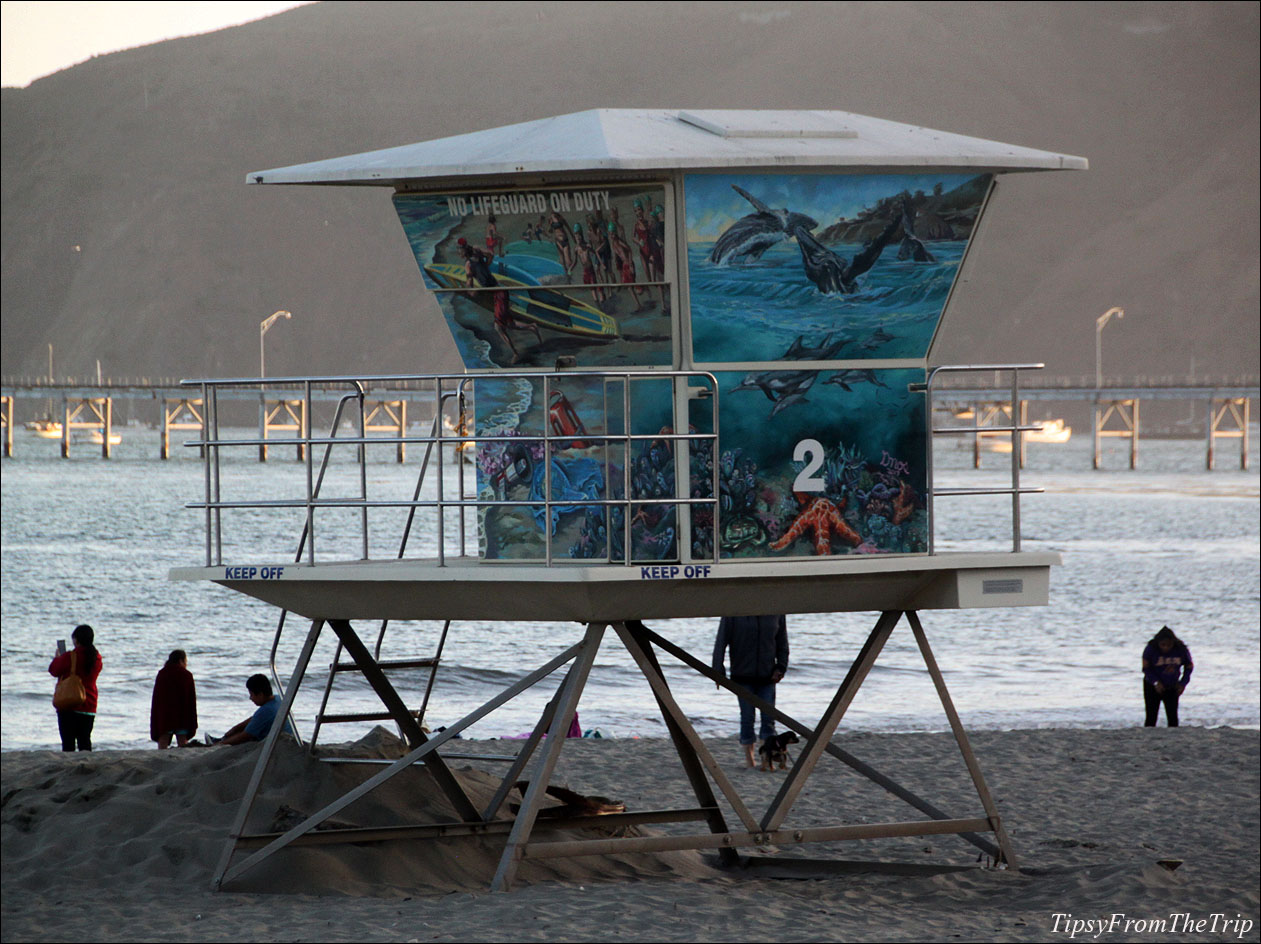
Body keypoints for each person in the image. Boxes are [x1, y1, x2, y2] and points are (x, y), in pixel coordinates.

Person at [712, 615, 789, 767]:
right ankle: (750, 760)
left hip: (768, 676)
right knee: (747, 718)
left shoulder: (776, 611)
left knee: (768, 719)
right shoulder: (734, 612)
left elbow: (782, 643)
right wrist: (717, 672)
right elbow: (721, 642)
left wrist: (781, 667)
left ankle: (766, 758)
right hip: (742, 676)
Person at [49, 623, 102, 752]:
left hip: (69, 704)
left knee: (68, 744)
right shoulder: (97, 657)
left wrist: (58, 658)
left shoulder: (70, 656)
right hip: (89, 704)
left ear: (76, 640)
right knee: (85, 741)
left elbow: (53, 670)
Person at [215, 674, 294, 745]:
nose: (250, 698)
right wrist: (234, 729)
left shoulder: (266, 710)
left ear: (260, 694)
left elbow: (244, 736)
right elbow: (254, 719)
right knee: (244, 729)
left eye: (251, 694)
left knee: (244, 737)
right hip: (287, 738)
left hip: (277, 744)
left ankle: (219, 742)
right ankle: (221, 739)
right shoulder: (278, 699)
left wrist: (221, 744)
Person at [1142, 626, 1193, 727]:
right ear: (1158, 643)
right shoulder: (1150, 649)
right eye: (1163, 645)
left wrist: (1183, 683)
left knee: (1172, 717)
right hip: (1152, 685)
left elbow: (1189, 666)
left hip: (1172, 685)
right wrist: (1156, 682)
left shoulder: (1181, 649)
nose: (1166, 647)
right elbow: (1146, 668)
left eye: (1169, 645)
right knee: (1151, 717)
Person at [150, 649, 197, 749]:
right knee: (182, 741)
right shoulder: (187, 675)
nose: (186, 664)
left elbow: (157, 698)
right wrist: (192, 719)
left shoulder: (162, 674)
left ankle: (161, 760)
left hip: (165, 715)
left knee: (163, 741)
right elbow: (191, 700)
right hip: (182, 715)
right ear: (181, 661)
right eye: (185, 661)